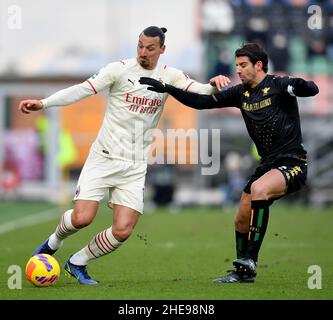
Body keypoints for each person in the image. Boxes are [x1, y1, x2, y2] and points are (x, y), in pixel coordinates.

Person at [18, 26, 230, 285]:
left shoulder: (169, 75)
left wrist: (214, 84)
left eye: (150, 48)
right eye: (140, 45)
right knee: (83, 218)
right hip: (104, 157)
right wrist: (44, 103)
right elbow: (82, 89)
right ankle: (54, 242)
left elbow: (197, 89)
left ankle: (78, 262)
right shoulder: (117, 70)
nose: (143, 52)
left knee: (123, 230)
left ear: (162, 49)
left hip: (135, 164)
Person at [139, 42, 319, 283]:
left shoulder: (278, 85)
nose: (239, 70)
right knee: (241, 217)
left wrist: (300, 84)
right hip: (267, 165)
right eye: (236, 66)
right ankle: (242, 272)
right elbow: (200, 103)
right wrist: (166, 88)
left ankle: (251, 261)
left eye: (243, 65)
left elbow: (313, 89)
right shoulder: (240, 93)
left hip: (293, 162)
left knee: (259, 189)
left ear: (258, 65)